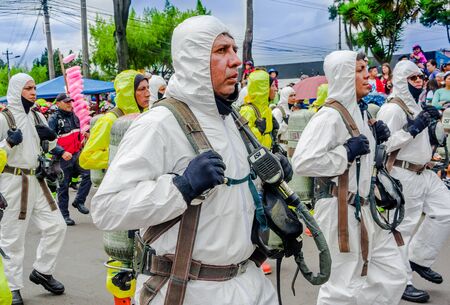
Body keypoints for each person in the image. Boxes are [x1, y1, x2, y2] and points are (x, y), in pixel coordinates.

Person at [90, 15, 278, 305]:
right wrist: (181, 187)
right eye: (221, 51)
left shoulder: (232, 120)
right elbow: (106, 208)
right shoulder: (159, 124)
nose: (236, 60)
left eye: (234, 49)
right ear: (194, 60)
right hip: (188, 291)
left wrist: (269, 182)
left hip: (249, 284)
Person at [292, 51, 407, 305]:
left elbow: (365, 158)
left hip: (366, 209)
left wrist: (378, 137)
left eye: (367, 68)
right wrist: (345, 152)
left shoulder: (360, 111)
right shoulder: (329, 115)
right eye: (359, 70)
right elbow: (302, 162)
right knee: (341, 288)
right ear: (344, 75)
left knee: (392, 275)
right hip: (339, 210)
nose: (368, 75)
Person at [377, 60, 450, 303]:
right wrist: (413, 128)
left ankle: (418, 258)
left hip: (424, 172)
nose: (419, 81)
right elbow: (383, 146)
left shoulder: (416, 106)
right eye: (413, 78)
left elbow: (420, 140)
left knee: (445, 211)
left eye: (420, 77)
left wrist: (430, 129)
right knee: (403, 230)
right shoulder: (392, 109)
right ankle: (402, 282)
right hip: (403, 174)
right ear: (401, 81)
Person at [0, 73, 67, 305]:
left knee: (57, 226)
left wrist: (51, 138)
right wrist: (8, 143)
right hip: (12, 181)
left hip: (37, 180)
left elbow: (49, 146)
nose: (33, 92)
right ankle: (12, 286)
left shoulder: (38, 116)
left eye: (34, 87)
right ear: (17, 90)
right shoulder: (4, 118)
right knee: (12, 238)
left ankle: (42, 271)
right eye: (28, 88)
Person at [79, 70, 150, 170]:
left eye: (148, 88)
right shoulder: (109, 120)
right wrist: (126, 154)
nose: (148, 93)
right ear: (128, 93)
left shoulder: (145, 115)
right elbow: (87, 158)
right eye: (141, 89)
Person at [48, 93, 92, 226]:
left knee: (89, 174)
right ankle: (64, 215)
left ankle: (79, 200)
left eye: (70, 101)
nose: (69, 104)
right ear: (58, 103)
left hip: (76, 154)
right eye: (66, 102)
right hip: (62, 157)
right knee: (63, 186)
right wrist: (61, 152)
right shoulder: (53, 119)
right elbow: (49, 140)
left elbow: (75, 135)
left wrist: (84, 136)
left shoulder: (75, 116)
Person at [240, 69, 274, 149]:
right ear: (264, 89)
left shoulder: (267, 109)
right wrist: (258, 131)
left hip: (268, 156)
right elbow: (242, 139)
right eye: (272, 86)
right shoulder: (247, 110)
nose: (276, 89)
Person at [272, 86, 296, 150]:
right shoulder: (278, 111)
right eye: (291, 96)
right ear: (284, 96)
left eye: (294, 95)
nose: (294, 98)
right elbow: (274, 132)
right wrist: (285, 124)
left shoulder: (291, 111)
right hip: (281, 147)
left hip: (291, 147)